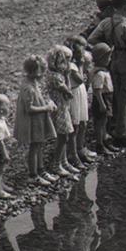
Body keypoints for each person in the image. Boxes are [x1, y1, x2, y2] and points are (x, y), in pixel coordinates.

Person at [88, 0, 126, 146]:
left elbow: (91, 38)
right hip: (125, 61)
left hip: (111, 60)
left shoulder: (106, 22)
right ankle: (123, 133)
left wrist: (105, 47)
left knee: (114, 94)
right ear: (125, 7)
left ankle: (116, 127)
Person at [14, 55, 56, 185]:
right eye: (42, 71)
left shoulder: (34, 83)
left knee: (40, 145)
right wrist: (46, 107)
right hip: (32, 121)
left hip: (38, 120)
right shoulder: (28, 87)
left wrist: (48, 102)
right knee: (34, 147)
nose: (43, 75)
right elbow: (29, 108)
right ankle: (33, 175)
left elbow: (40, 96)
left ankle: (41, 170)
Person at [44, 44, 76, 178]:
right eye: (67, 60)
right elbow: (68, 92)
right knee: (63, 136)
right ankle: (56, 163)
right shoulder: (55, 76)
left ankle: (63, 161)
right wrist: (68, 75)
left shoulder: (56, 74)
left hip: (63, 108)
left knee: (64, 136)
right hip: (59, 109)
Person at [65, 35, 93, 165]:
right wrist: (81, 65)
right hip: (75, 94)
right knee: (75, 124)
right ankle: (73, 152)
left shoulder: (76, 64)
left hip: (80, 93)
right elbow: (80, 79)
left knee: (83, 122)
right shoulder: (71, 66)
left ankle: (81, 148)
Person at [88, 43, 115, 155]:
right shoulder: (99, 74)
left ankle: (105, 140)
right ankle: (100, 144)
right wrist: (102, 103)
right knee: (100, 123)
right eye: (108, 57)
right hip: (102, 99)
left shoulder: (104, 71)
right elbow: (97, 90)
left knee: (105, 121)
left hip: (107, 97)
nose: (110, 60)